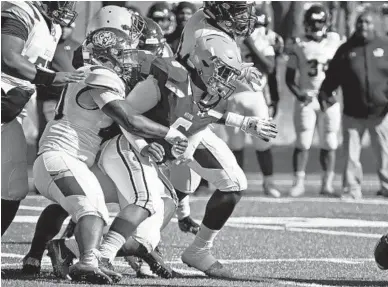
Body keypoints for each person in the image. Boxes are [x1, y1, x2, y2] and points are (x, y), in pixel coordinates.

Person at [31, 6, 188, 284]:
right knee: (93, 209)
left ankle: (68, 252)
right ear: (106, 54)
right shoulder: (97, 73)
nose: (128, 61)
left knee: (144, 198)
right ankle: (89, 262)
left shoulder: (96, 72)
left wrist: (141, 147)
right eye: (123, 55)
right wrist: (170, 133)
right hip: (61, 156)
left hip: (81, 160)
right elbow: (127, 118)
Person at [175, 1, 273, 277]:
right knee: (149, 203)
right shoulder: (210, 41)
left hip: (185, 117)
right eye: (240, 9)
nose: (246, 16)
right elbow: (199, 107)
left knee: (176, 191)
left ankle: (82, 247)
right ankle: (79, 248)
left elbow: (208, 60)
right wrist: (241, 121)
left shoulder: (204, 22)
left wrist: (238, 67)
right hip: (183, 123)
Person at [1, 1, 83, 237]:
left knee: (13, 187)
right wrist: (49, 78)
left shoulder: (52, 25)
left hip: (9, 112)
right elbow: (7, 56)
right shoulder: (19, 10)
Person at [318, 9, 388, 199]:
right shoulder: (346, 49)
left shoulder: (386, 47)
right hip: (352, 112)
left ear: (374, 24)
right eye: (360, 22)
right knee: (351, 156)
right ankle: (352, 189)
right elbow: (332, 75)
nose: (362, 26)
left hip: (380, 112)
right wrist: (325, 92)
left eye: (367, 22)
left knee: (385, 153)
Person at [286, 4, 342, 197]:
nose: (317, 25)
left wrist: (334, 90)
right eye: (313, 21)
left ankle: (327, 183)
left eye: (320, 21)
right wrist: (299, 94)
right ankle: (298, 182)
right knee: (303, 141)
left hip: (329, 98)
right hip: (307, 98)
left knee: (330, 142)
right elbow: (289, 77)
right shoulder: (298, 43)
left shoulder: (335, 41)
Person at [227, 5, 282, 198]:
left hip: (255, 96)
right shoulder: (228, 38)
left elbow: (269, 67)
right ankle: (236, 185)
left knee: (263, 143)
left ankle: (268, 183)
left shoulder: (263, 39)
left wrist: (250, 44)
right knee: (236, 145)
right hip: (232, 95)